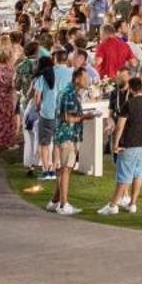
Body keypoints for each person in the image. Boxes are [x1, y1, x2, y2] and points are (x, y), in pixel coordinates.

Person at [99, 74, 142, 215]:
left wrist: (116, 144)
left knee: (124, 176)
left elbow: (120, 126)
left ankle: (113, 205)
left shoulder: (129, 104)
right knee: (139, 175)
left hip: (129, 143)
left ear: (131, 89)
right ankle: (133, 204)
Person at [47, 67, 94, 216]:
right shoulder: (69, 95)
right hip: (67, 136)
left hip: (65, 135)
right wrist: (87, 117)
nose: (88, 81)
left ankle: (54, 201)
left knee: (64, 169)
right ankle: (63, 204)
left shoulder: (69, 93)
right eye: (85, 78)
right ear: (77, 79)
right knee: (65, 170)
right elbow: (68, 119)